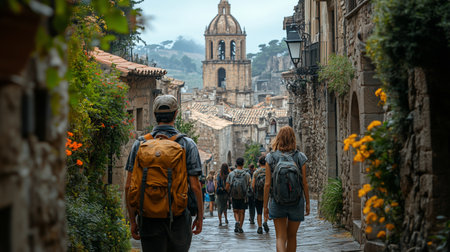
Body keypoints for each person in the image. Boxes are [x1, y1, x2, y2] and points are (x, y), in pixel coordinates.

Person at [124, 95, 203, 252]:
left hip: (148, 216)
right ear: (175, 114)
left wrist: (133, 220)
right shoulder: (187, 144)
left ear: (154, 115)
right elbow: (195, 186)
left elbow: (128, 186)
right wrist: (200, 217)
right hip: (178, 217)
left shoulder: (139, 144)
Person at [263, 126, 310, 252]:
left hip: (277, 201)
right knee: (292, 236)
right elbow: (304, 183)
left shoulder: (270, 158)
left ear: (278, 138)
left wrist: (265, 206)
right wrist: (308, 203)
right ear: (293, 139)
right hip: (296, 201)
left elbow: (267, 184)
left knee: (280, 237)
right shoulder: (300, 157)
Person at [226, 157, 251, 233]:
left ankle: (237, 221)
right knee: (242, 211)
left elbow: (227, 185)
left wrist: (229, 193)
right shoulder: (247, 174)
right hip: (243, 196)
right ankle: (240, 227)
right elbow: (249, 185)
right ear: (243, 164)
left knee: (235, 211)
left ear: (236, 164)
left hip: (234, 195)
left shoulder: (231, 174)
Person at [252, 155, 269, 234]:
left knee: (259, 212)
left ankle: (259, 227)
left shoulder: (256, 172)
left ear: (259, 163)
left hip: (258, 195)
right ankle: (265, 221)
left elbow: (253, 185)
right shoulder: (269, 171)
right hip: (267, 195)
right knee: (266, 209)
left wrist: (254, 192)